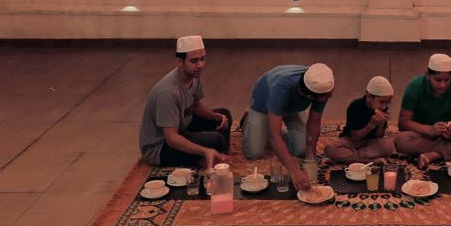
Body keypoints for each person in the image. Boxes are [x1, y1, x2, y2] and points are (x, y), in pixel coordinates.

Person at [138, 35, 232, 169]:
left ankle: (216, 156)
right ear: (179, 62)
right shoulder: (168, 92)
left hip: (182, 128)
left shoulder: (194, 76)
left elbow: (195, 105)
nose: (200, 65)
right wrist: (204, 150)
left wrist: (214, 117)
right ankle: (208, 157)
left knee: (224, 115)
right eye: (194, 61)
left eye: (202, 59)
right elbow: (172, 139)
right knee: (215, 140)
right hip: (161, 147)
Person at [242, 62, 334, 191]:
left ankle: (272, 125)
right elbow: (274, 135)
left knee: (302, 150)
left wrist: (310, 156)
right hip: (263, 103)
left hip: (293, 107)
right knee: (254, 153)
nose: (329, 96)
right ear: (309, 97)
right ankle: (249, 119)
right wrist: (294, 170)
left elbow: (314, 121)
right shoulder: (280, 86)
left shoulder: (321, 84)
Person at [393, 53, 451, 167]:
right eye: (438, 80)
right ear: (428, 75)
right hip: (420, 134)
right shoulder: (414, 87)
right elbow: (403, 122)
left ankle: (436, 153)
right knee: (401, 142)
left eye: (447, 80)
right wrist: (429, 130)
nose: (443, 85)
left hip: (446, 135)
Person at [324, 76, 396, 163]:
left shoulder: (382, 108)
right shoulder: (355, 107)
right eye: (381, 102)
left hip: (370, 143)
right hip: (351, 141)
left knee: (389, 146)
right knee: (329, 149)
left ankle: (349, 157)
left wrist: (381, 123)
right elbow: (355, 138)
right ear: (369, 97)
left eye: (387, 103)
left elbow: (379, 136)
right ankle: (370, 161)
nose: (384, 106)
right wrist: (371, 125)